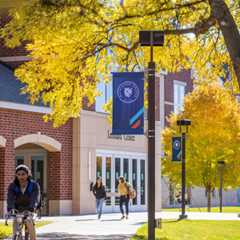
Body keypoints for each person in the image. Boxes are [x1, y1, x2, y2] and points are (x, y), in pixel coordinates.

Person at [7, 164, 40, 240]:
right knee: (16, 221)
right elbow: (10, 198)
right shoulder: (13, 186)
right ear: (16, 175)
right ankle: (16, 236)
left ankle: (33, 238)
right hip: (18, 208)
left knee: (28, 220)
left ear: (28, 174)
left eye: (23, 174)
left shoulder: (34, 185)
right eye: (18, 174)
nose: (21, 176)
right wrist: (10, 208)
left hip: (30, 208)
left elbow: (35, 198)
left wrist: (32, 207)